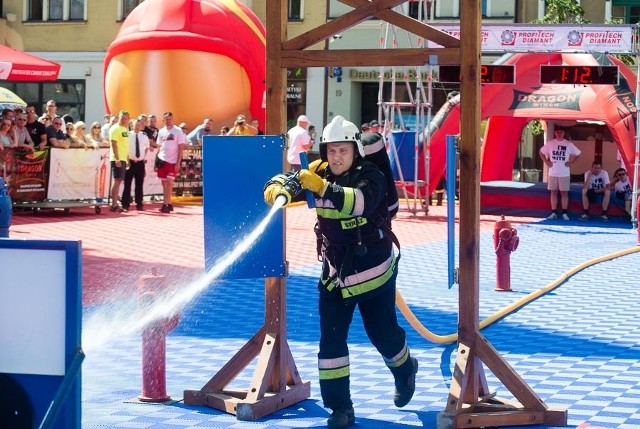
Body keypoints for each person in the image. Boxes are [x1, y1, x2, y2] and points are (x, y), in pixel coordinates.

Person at [263, 115, 418, 429]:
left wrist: (321, 187)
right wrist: (279, 185)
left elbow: (358, 203)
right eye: (331, 151)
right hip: (335, 275)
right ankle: (340, 408)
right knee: (331, 345)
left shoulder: (370, 175)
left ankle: (405, 371)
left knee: (383, 336)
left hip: (373, 271)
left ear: (355, 151)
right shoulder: (317, 171)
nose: (336, 157)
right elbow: (297, 183)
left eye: (343, 151)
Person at [539, 126, 581, 220]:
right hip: (553, 171)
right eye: (557, 132)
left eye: (561, 132)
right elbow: (541, 152)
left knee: (564, 193)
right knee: (553, 192)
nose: (559, 133)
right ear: (555, 133)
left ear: (564, 133)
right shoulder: (550, 143)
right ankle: (554, 212)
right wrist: (546, 161)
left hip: (564, 172)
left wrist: (571, 163)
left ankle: (564, 213)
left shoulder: (568, 144)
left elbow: (578, 154)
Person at [155, 111, 186, 213]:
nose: (168, 121)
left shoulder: (178, 131)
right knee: (164, 183)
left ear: (173, 119)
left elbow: (181, 147)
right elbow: (159, 147)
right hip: (162, 160)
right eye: (166, 119)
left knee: (169, 182)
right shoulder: (161, 131)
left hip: (172, 162)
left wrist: (178, 163)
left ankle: (166, 204)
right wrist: (156, 162)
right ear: (163, 120)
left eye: (170, 119)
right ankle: (169, 203)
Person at [121, 119, 150, 211]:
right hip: (130, 162)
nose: (138, 126)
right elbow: (124, 148)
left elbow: (147, 148)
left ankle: (139, 204)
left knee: (139, 184)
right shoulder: (127, 134)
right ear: (131, 125)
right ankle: (125, 205)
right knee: (127, 184)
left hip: (140, 163)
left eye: (139, 125)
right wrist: (127, 160)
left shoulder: (144, 135)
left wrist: (142, 157)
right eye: (136, 125)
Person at [108, 110, 131, 212]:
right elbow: (114, 144)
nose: (123, 119)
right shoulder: (115, 128)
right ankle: (114, 204)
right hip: (117, 158)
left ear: (128, 119)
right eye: (122, 118)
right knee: (117, 181)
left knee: (119, 180)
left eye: (125, 118)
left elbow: (125, 145)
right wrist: (117, 158)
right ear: (119, 117)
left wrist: (127, 158)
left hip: (123, 158)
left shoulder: (125, 129)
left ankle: (115, 203)